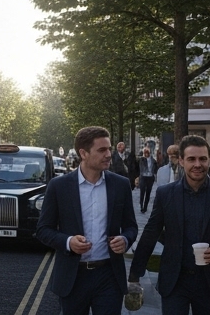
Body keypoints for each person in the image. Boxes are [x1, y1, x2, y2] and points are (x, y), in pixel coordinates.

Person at [129, 135, 210, 315]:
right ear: (181, 161)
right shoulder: (166, 193)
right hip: (175, 280)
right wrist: (135, 273)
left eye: (202, 159)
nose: (197, 164)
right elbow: (151, 231)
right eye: (191, 159)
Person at [36, 126, 139, 315]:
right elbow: (43, 229)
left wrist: (124, 239)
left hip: (108, 275)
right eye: (102, 150)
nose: (109, 154)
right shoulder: (59, 186)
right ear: (83, 153)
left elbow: (131, 226)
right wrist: (68, 242)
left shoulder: (120, 184)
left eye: (109, 149)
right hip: (73, 277)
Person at [138, 146, 158, 214]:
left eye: (147, 152)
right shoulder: (142, 160)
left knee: (148, 193)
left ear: (149, 152)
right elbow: (139, 167)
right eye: (145, 152)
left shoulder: (153, 160)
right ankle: (141, 206)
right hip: (143, 177)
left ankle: (145, 207)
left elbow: (156, 168)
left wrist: (154, 174)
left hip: (150, 177)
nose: (146, 153)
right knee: (142, 192)